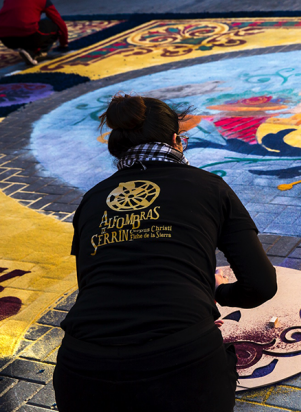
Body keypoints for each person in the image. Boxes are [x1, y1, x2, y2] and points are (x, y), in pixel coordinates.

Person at [53, 94, 278, 412]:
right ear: (176, 140)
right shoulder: (210, 187)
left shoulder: (92, 199)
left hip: (82, 366)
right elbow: (261, 285)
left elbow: (95, 283)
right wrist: (216, 291)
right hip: (183, 361)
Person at [0, 0, 69, 66]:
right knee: (54, 26)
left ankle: (25, 48)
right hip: (28, 35)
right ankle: (35, 53)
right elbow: (59, 22)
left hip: (6, 39)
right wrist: (64, 44)